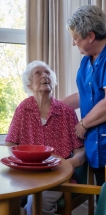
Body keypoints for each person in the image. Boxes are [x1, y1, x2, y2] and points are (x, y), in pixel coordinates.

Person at [5, 60, 85, 215]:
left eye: (47, 73)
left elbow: (80, 152)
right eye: (38, 73)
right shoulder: (22, 109)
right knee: (2, 201)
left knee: (36, 203)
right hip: (26, 175)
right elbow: (9, 144)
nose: (45, 76)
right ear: (29, 85)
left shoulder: (67, 112)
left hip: (56, 175)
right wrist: (21, 164)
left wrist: (65, 165)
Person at [61, 5, 106, 189]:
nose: (74, 43)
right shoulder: (86, 61)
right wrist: (55, 106)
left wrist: (83, 124)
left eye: (75, 38)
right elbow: (86, 96)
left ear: (90, 36)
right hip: (95, 147)